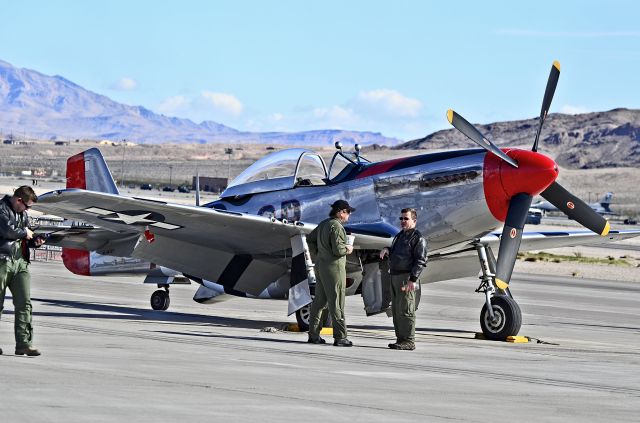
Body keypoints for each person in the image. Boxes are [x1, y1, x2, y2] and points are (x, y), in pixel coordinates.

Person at [0, 186, 45, 356]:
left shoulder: (23, 214)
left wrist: (35, 240)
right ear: (19, 200)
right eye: (27, 206)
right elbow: (7, 231)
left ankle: (24, 344)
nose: (28, 210)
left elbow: (26, 236)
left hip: (21, 262)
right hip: (2, 261)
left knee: (24, 304)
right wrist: (25, 233)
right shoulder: (1, 210)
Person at [306, 199, 355, 347]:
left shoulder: (324, 224)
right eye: (347, 213)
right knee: (337, 302)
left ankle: (313, 334)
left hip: (321, 266)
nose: (349, 216)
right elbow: (338, 250)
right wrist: (348, 248)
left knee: (319, 302)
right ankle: (340, 337)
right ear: (341, 212)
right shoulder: (337, 227)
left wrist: (319, 253)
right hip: (334, 269)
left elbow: (310, 239)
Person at [379, 208, 427, 351]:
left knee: (406, 309)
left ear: (414, 221)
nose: (403, 221)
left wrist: (412, 280)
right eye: (401, 219)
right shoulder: (400, 236)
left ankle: (409, 340)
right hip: (395, 276)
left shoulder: (418, 238)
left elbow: (421, 261)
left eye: (406, 219)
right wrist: (387, 249)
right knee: (396, 309)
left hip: (406, 277)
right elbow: (398, 252)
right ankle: (401, 339)